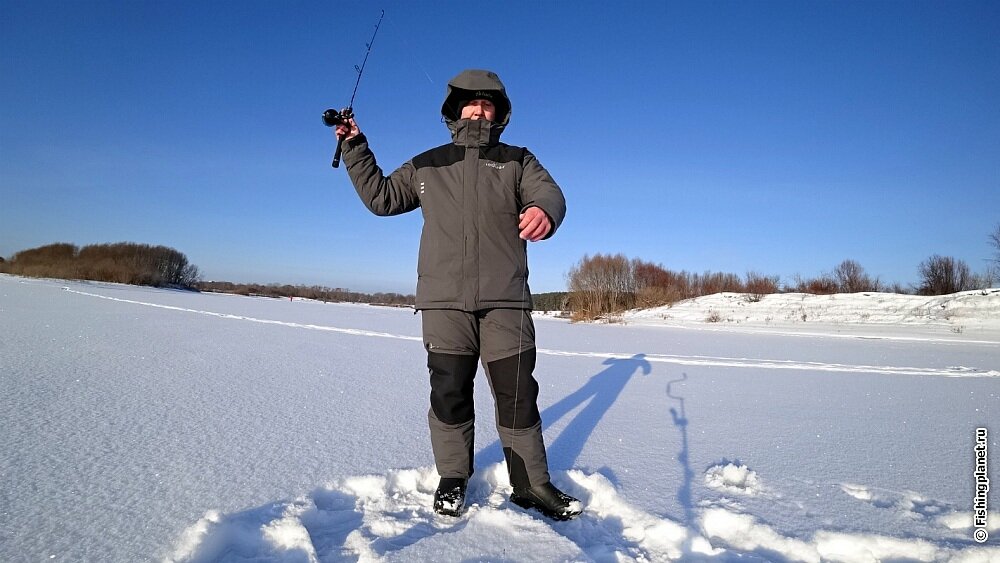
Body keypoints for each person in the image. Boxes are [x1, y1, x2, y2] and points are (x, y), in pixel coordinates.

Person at [333, 69, 581, 521]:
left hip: (506, 301)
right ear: (453, 110)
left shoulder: (518, 160)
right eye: (471, 102)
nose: (479, 110)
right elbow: (381, 197)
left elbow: (551, 193)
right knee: (449, 392)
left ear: (500, 112)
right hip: (444, 303)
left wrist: (544, 210)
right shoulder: (427, 164)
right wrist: (354, 146)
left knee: (518, 393)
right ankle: (452, 477)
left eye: (488, 104)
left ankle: (531, 484)